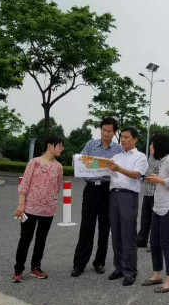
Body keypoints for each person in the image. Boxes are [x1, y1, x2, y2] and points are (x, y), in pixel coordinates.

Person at [71, 118, 123, 277]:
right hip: (92, 189)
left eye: (109, 131)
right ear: (100, 130)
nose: (105, 133)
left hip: (108, 191)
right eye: (103, 130)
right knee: (86, 226)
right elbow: (78, 164)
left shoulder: (118, 150)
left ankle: (99, 262)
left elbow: (121, 170)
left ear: (114, 133)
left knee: (104, 227)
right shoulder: (91, 145)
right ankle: (79, 264)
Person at [13, 136, 64, 282]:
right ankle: (18, 269)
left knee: (41, 239)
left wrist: (51, 199)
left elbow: (57, 187)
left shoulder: (59, 167)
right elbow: (25, 183)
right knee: (25, 238)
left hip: (48, 210)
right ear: (50, 145)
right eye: (59, 145)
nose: (61, 148)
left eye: (62, 146)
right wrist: (21, 204)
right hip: (30, 207)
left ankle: (36, 267)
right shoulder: (34, 162)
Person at [142, 133, 169, 293]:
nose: (150, 147)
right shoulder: (161, 162)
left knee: (165, 243)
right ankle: (156, 275)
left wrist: (159, 180)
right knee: (154, 242)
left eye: (152, 145)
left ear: (159, 145)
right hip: (159, 206)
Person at [107, 127, 148, 286]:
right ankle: (119, 268)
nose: (122, 140)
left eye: (126, 137)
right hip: (113, 195)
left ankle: (130, 271)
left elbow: (136, 175)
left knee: (128, 234)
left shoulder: (140, 157)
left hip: (128, 196)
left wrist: (118, 168)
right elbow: (110, 173)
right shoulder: (116, 156)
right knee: (116, 233)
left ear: (135, 139)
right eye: (121, 137)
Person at [136, 146, 160, 249]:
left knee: (154, 220)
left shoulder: (161, 159)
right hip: (147, 192)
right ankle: (142, 240)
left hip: (156, 193)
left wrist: (137, 173)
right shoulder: (151, 157)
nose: (150, 147)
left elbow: (149, 174)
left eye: (153, 145)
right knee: (145, 218)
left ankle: (154, 243)